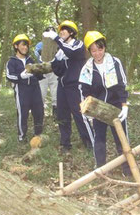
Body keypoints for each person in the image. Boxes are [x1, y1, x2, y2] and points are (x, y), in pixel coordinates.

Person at [79, 31, 130, 175]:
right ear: (89, 51)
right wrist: (87, 110)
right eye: (93, 50)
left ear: (104, 48)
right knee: (99, 140)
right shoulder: (87, 69)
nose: (97, 53)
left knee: (121, 139)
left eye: (100, 49)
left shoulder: (114, 62)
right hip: (97, 109)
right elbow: (84, 90)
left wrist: (124, 105)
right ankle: (101, 169)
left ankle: (128, 169)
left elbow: (121, 85)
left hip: (115, 107)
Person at [43, 20, 94, 152]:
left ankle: (90, 142)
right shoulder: (61, 50)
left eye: (63, 30)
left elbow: (71, 53)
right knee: (62, 115)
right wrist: (54, 61)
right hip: (62, 85)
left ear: (71, 32)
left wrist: (56, 39)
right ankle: (65, 143)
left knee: (79, 114)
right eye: (59, 31)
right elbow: (58, 70)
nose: (60, 33)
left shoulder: (78, 44)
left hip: (75, 85)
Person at [6, 34, 44, 141]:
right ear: (16, 46)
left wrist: (41, 69)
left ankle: (38, 135)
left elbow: (40, 76)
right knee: (23, 113)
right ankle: (22, 137)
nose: (25, 47)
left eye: (26, 45)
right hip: (21, 90)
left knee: (39, 111)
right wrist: (21, 76)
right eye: (23, 45)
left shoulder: (31, 60)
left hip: (35, 88)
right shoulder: (12, 61)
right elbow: (9, 76)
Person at [34, 27, 58, 118]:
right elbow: (37, 54)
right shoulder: (40, 44)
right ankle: (40, 114)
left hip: (54, 70)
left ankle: (56, 113)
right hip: (43, 70)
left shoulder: (58, 44)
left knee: (55, 92)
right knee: (41, 92)